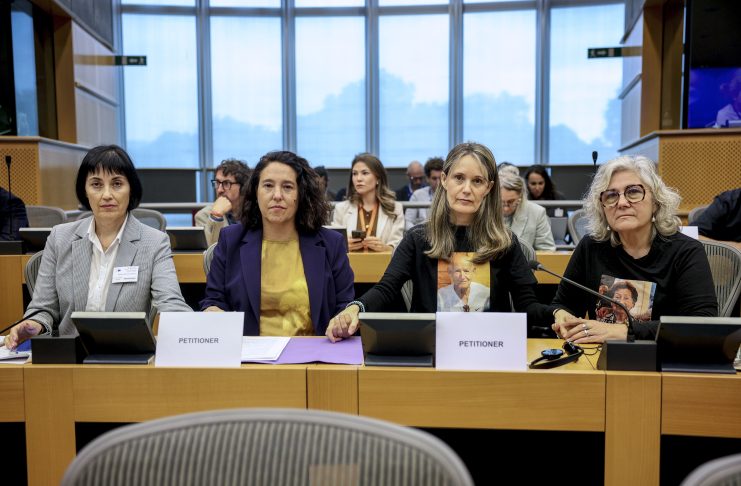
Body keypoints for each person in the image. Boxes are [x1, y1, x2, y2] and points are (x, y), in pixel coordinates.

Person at [326, 142, 555, 342]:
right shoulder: (418, 239)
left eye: (477, 181)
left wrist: (557, 314)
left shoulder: (505, 242)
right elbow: (386, 289)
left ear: (488, 188)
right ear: (444, 180)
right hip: (432, 352)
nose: (466, 189)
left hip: (490, 352)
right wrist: (355, 308)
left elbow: (528, 305)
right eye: (459, 178)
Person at [3, 145, 192, 350]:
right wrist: (34, 324)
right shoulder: (60, 237)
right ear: (85, 191)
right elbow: (43, 308)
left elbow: (171, 304)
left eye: (117, 184)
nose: (107, 194)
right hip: (71, 359)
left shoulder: (154, 242)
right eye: (96, 184)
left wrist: (198, 333)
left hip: (128, 358)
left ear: (131, 189)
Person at [551, 155, 718, 344]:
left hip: (663, 358)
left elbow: (702, 324)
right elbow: (564, 303)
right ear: (602, 207)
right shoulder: (591, 246)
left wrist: (625, 332)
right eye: (611, 195)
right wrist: (561, 315)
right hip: (598, 357)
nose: (622, 203)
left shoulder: (686, 251)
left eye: (633, 192)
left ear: (655, 202)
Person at [200, 150, 354, 336]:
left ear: (301, 194)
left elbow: (345, 304)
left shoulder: (331, 243)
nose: (277, 195)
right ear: (255, 192)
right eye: (268, 186)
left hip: (312, 350)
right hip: (250, 351)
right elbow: (213, 300)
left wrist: (343, 321)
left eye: (287, 187)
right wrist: (213, 310)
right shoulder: (230, 240)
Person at [332, 153, 404, 252]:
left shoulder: (395, 209)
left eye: (365, 173)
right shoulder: (341, 209)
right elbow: (332, 247)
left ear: (378, 178)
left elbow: (399, 247)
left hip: (382, 262)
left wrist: (385, 248)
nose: (358, 179)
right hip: (351, 262)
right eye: (355, 174)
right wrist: (343, 246)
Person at [195, 159, 250, 246]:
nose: (219, 190)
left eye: (226, 183)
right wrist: (216, 217)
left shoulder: (257, 213)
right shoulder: (203, 216)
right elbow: (211, 251)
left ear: (243, 187)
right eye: (217, 183)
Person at [499, 171, 556, 251]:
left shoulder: (536, 213)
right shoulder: (484, 211)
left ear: (521, 196)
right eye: (501, 202)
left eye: (511, 202)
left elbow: (547, 251)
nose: (506, 208)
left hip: (526, 259)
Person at [405, 156, 443, 230]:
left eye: (440, 178)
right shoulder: (417, 195)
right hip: (421, 234)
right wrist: (417, 234)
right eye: (434, 178)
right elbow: (408, 221)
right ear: (427, 179)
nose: (438, 182)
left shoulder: (452, 195)